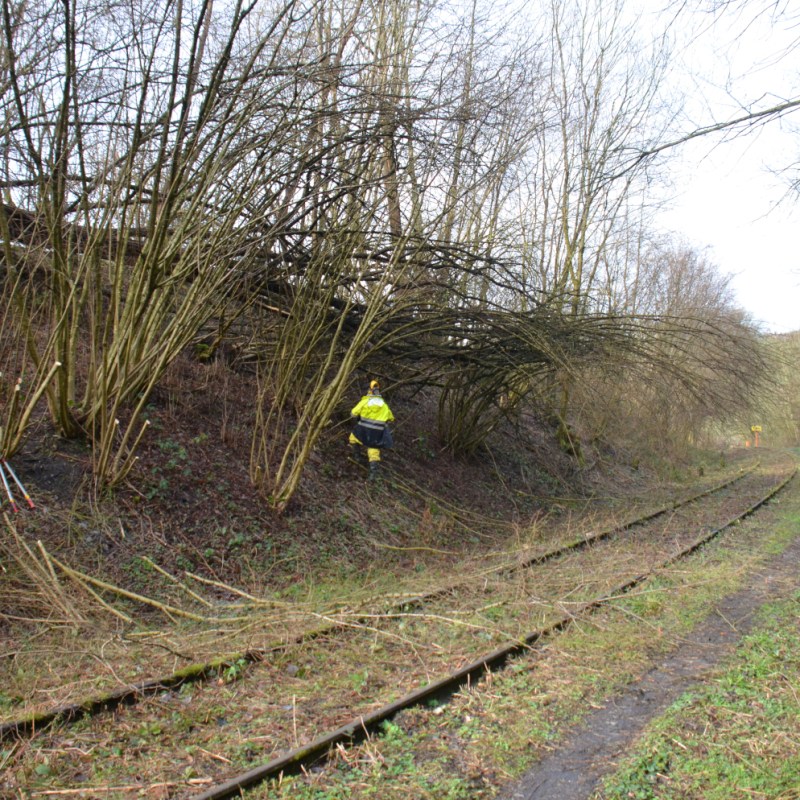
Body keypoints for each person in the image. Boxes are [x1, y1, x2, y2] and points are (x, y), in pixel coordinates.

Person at [349, 379, 394, 479]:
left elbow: (353, 413)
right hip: (376, 433)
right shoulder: (384, 405)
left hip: (363, 429)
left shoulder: (365, 402)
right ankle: (373, 473)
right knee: (373, 450)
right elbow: (391, 418)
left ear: (369, 391)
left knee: (353, 438)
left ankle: (357, 457)